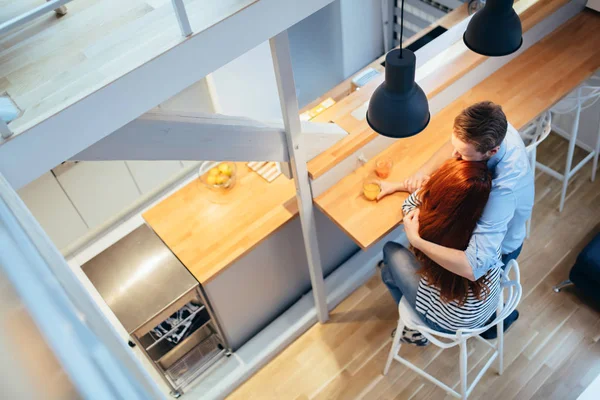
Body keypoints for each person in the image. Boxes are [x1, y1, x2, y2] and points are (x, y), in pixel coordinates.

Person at [379, 101, 534, 341]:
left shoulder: (501, 194)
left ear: (491, 152)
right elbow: (463, 147)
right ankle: (491, 319)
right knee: (475, 292)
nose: (453, 156)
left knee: (390, 268)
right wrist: (422, 173)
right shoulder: (490, 130)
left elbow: (473, 267)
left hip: (501, 248)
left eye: (461, 156)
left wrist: (416, 241)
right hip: (482, 292)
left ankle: (421, 332)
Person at [381, 159, 499, 345]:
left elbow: (408, 206)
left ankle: (416, 333)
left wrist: (428, 187)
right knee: (390, 272)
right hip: (487, 308)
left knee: (390, 253)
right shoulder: (490, 229)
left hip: (448, 323)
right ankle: (393, 277)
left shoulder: (431, 232)